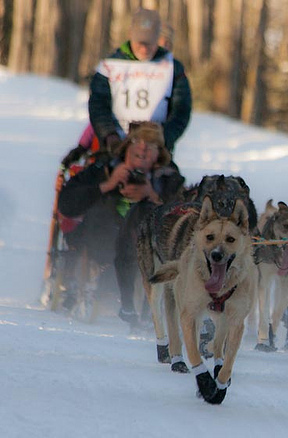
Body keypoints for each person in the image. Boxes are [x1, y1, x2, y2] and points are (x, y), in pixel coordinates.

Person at [58, 122, 184, 324]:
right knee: (100, 215)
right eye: (137, 141)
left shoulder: (169, 178)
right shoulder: (103, 167)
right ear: (127, 145)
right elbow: (66, 204)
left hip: (143, 248)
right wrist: (107, 185)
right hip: (100, 240)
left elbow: (182, 219)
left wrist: (152, 195)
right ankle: (95, 288)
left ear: (159, 154)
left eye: (150, 144)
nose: (143, 148)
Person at [89, 8, 191, 161]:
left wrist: (164, 139)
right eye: (140, 43)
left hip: (156, 153)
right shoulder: (109, 66)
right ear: (131, 35)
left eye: (149, 43)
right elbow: (98, 105)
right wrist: (110, 137)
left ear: (158, 38)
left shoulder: (173, 68)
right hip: (114, 149)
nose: (144, 49)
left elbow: (181, 110)